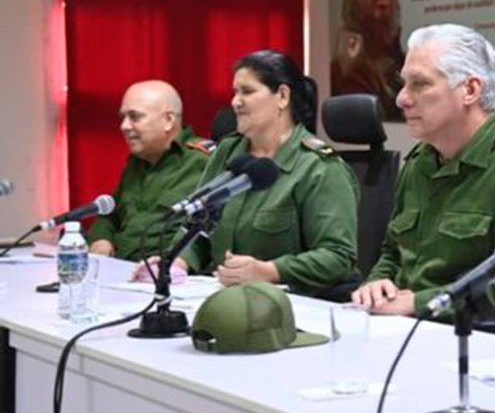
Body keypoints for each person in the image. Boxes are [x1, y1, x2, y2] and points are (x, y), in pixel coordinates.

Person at [351, 24, 495, 346]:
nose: (401, 99)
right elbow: (393, 252)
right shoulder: (420, 163)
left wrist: (417, 303)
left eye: (420, 84)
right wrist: (378, 283)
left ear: (469, 90)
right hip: (419, 334)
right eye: (404, 85)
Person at [135, 51, 359, 295]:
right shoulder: (228, 152)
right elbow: (198, 224)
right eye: (235, 92)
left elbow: (338, 257)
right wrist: (177, 261)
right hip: (219, 297)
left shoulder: (318, 167)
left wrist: (270, 270)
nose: (235, 102)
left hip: (288, 306)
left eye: (247, 91)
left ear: (282, 96)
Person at [89, 80, 212, 261]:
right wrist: (101, 239)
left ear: (168, 120)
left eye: (135, 117)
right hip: (120, 270)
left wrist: (177, 263)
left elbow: (210, 232)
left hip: (166, 275)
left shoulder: (203, 163)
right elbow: (110, 215)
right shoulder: (137, 162)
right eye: (123, 117)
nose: (124, 126)